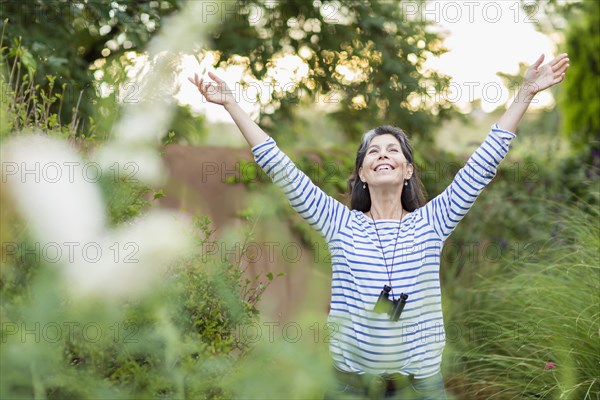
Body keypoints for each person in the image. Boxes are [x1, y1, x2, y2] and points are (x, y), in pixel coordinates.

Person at [188, 53, 569, 400]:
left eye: (393, 151)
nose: (383, 154)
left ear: (407, 171)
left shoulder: (432, 222)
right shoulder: (338, 223)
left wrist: (525, 95)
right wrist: (231, 103)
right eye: (373, 151)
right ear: (361, 174)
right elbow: (282, 170)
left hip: (420, 388)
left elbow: (483, 163)